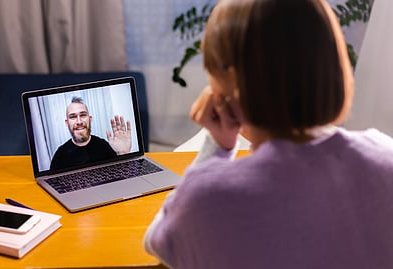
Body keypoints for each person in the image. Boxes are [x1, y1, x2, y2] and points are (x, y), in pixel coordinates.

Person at [143, 0, 393, 268]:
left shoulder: (208, 198)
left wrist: (217, 146)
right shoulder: (386, 157)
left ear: (231, 86)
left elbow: (157, 242)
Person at [50, 96, 131, 170]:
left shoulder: (104, 146)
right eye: (73, 117)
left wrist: (123, 154)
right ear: (67, 123)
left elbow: (123, 178)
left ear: (90, 119)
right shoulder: (60, 155)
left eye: (83, 115)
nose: (79, 121)